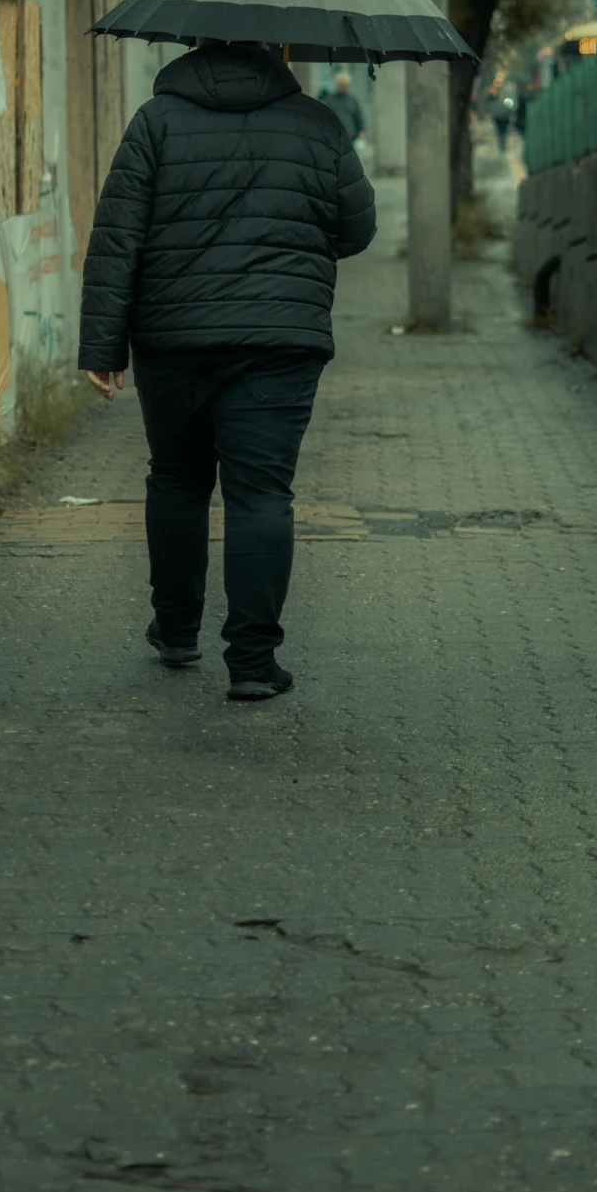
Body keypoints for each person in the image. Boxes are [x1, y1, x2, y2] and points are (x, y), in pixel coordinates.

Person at [79, 39, 376, 701]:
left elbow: (117, 235)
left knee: (179, 478)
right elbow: (356, 229)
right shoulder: (317, 122)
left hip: (172, 338)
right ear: (277, 49)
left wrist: (102, 348)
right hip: (280, 339)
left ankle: (177, 631)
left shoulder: (155, 121)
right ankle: (250, 662)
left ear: (193, 44)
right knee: (261, 495)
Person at [320, 67, 365, 144]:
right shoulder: (330, 100)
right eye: (341, 85)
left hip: (351, 138)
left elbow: (359, 117)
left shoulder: (352, 100)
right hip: (334, 137)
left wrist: (362, 131)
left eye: (345, 85)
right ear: (337, 84)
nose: (343, 87)